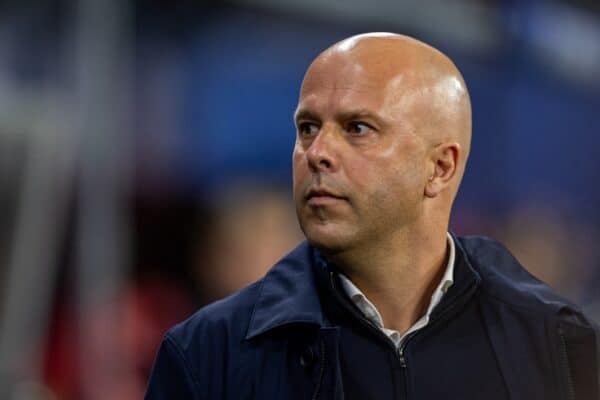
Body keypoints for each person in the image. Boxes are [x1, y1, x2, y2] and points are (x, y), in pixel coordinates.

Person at [145, 33, 599, 399]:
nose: (317, 152)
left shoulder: (554, 341)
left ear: (439, 168)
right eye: (307, 128)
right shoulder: (208, 354)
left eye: (357, 128)